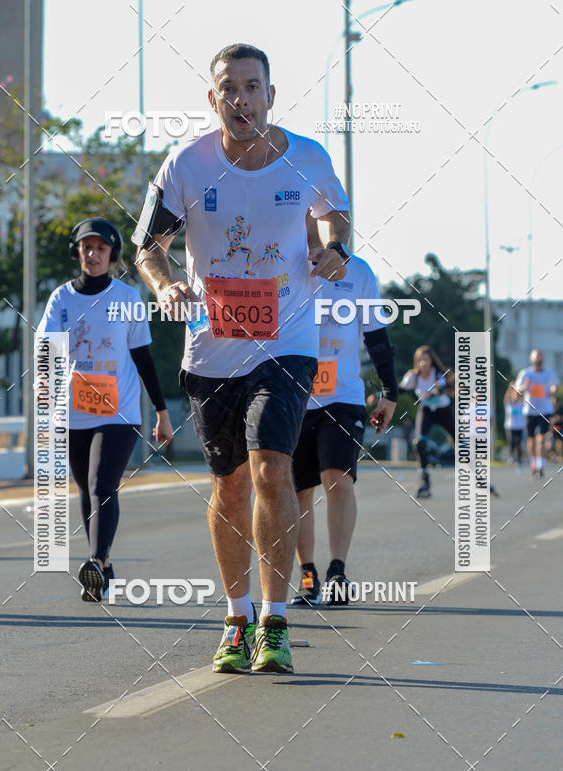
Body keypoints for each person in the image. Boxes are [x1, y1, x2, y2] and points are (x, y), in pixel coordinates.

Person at [134, 44, 350, 673]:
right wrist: (165, 283)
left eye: (252, 87)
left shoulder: (306, 157)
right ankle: (236, 618)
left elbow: (335, 220)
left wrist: (334, 250)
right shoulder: (186, 165)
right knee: (228, 486)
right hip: (211, 346)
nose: (241, 99)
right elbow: (150, 244)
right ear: (213, 99)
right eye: (228, 88)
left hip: (286, 339)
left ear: (270, 96)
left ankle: (274, 623)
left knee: (269, 470)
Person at [37, 218, 173, 602]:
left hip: (120, 412)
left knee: (102, 485)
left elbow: (143, 357)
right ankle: (105, 566)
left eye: (100, 248)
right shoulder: (61, 299)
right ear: (77, 252)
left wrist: (161, 414)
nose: (92, 254)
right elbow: (48, 348)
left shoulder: (128, 298)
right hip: (74, 410)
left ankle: (95, 560)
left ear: (112, 254)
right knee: (86, 489)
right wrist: (43, 384)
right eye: (86, 247)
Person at [290, 247, 397, 606]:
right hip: (292, 394)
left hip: (343, 395)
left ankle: (338, 569)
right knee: (298, 490)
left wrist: (389, 391)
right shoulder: (283, 260)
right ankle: (308, 573)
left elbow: (376, 335)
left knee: (337, 478)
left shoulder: (358, 272)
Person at [400, 346, 454, 498]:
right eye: (420, 360)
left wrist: (430, 394)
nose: (423, 363)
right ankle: (425, 480)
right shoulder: (413, 376)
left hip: (443, 411)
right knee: (420, 442)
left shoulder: (437, 373)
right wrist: (380, 395)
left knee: (459, 443)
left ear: (431, 361)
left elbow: (440, 389)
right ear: (416, 362)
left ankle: (477, 476)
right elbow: (400, 389)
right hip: (427, 411)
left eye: (426, 359)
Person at [514, 349, 559, 477]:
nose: (538, 359)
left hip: (545, 410)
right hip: (529, 411)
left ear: (542, 359)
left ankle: (541, 465)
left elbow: (554, 386)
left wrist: (553, 390)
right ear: (531, 359)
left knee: (541, 437)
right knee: (531, 439)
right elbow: (517, 392)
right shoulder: (525, 373)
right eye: (536, 357)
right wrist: (524, 386)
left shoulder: (549, 373)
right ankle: (533, 463)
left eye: (540, 357)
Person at [503, 386, 524, 469]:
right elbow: (506, 397)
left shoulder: (520, 403)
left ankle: (519, 459)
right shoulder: (509, 403)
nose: (515, 397)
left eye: (517, 396)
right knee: (512, 442)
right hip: (510, 426)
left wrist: (518, 388)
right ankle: (511, 457)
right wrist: (510, 388)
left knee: (518, 442)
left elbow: (522, 395)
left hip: (519, 426)